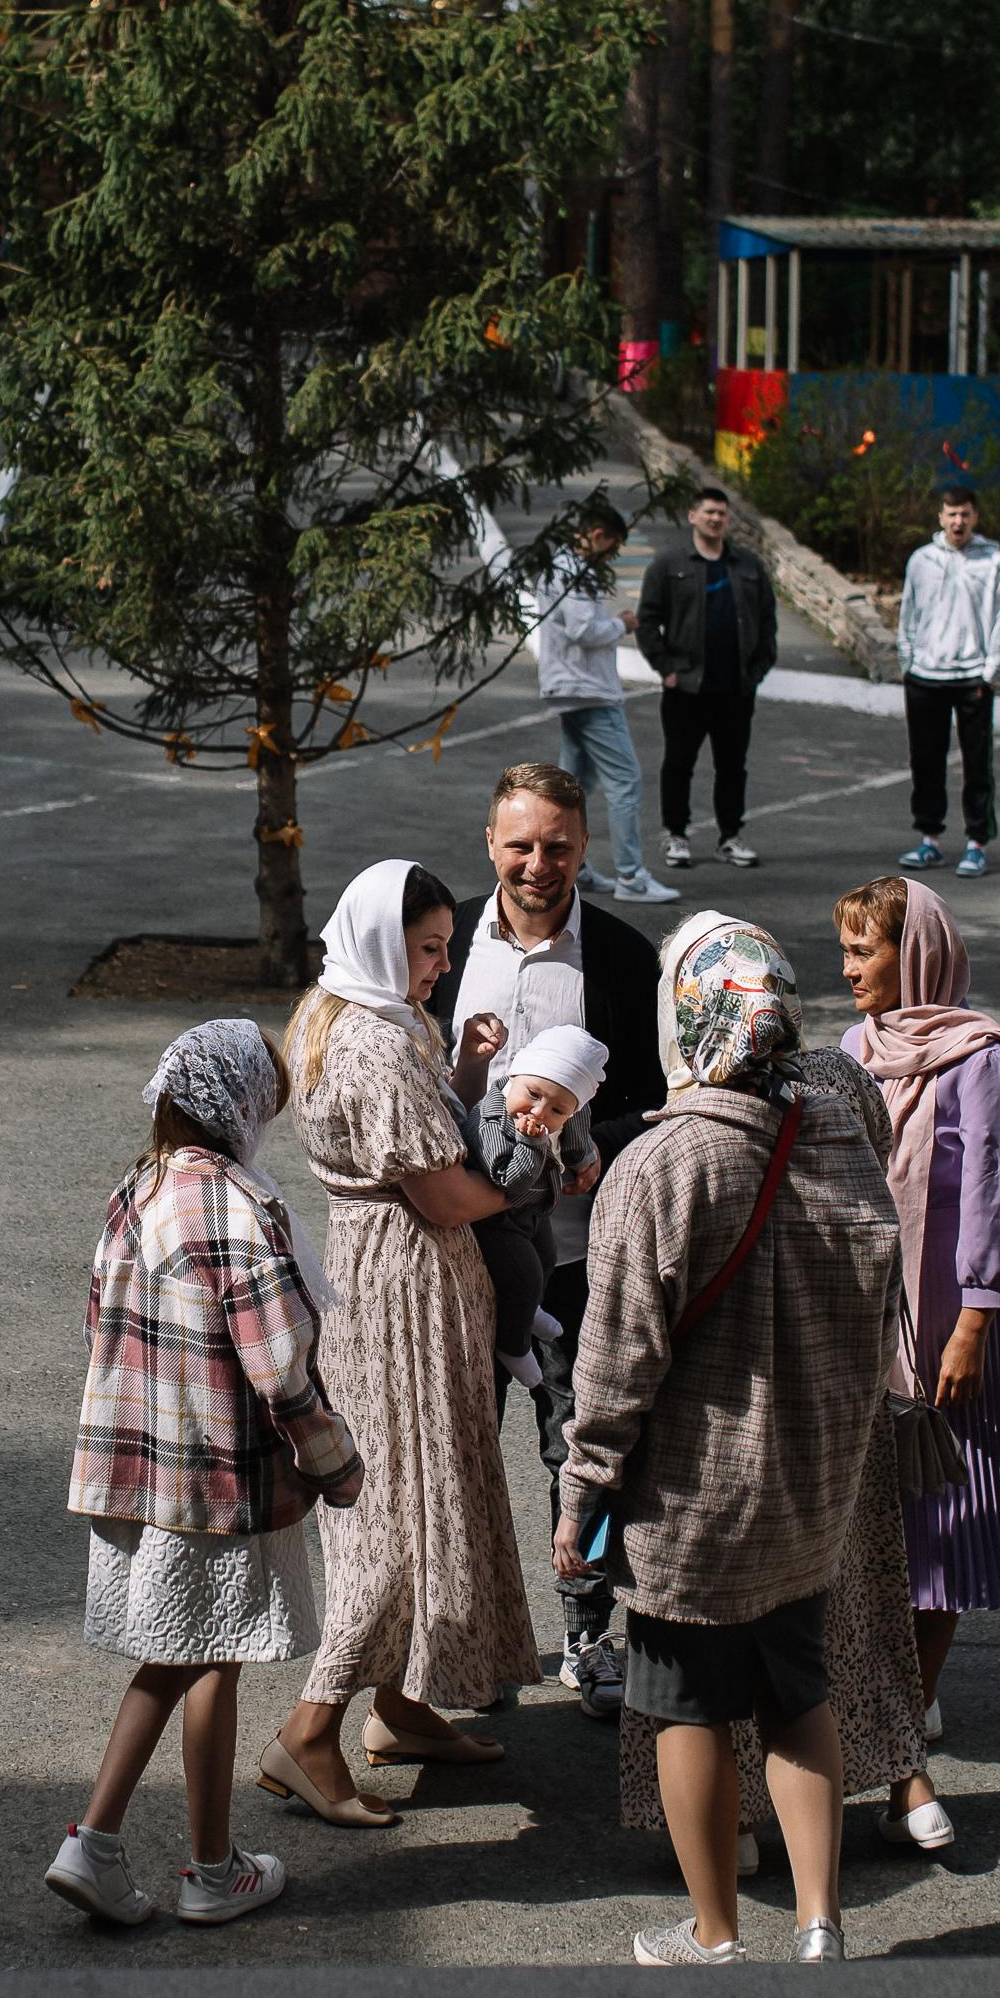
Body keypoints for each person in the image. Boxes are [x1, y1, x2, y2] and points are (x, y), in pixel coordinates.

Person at [557, 913, 902, 1964]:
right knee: (799, 1695)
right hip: (813, 1486)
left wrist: (582, 1496)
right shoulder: (841, 1126)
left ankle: (711, 1933)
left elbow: (614, 1365)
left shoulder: (664, 1162)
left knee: (687, 1711)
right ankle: (818, 1922)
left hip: (692, 1508)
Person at [49, 1020, 364, 1928]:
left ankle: (104, 1845)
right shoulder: (236, 1206)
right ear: (243, 1105)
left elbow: (94, 1326)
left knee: (184, 1653)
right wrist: (333, 1464)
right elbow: (279, 1365)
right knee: (203, 1657)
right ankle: (203, 1866)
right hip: (218, 1474)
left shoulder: (133, 1189)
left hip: (135, 1462)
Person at [263, 861, 542, 1821]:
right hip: (406, 1284)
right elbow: (438, 1189)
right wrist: (531, 1180)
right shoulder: (375, 1045)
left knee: (421, 1488)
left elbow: (418, 1135)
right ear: (388, 942)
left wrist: (461, 1066)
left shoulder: (343, 1010)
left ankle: (400, 1704)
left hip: (380, 1270)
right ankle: (310, 1729)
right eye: (427, 950)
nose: (438, 967)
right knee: (394, 1506)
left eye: (445, 951)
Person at [428, 765, 668, 1717]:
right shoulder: (440, 943)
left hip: (578, 1259)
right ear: (489, 844)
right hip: (458, 1255)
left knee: (582, 1451)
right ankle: (471, 1641)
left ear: (583, 847)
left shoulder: (617, 957)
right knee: (456, 1453)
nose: (538, 864)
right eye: (519, 845)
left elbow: (657, 1103)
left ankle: (587, 1635)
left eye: (558, 845)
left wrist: (590, 1156)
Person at [836, 872, 1000, 1853]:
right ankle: (885, 1726)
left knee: (943, 1532)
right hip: (861, 1325)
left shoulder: (979, 1059)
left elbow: (998, 1197)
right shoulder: (851, 1052)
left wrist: (975, 1322)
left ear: (913, 953)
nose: (848, 973)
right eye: (841, 953)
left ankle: (903, 1720)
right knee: (868, 1530)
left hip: (950, 1329)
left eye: (863, 953)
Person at [533, 508, 678, 905]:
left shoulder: (557, 566)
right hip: (588, 690)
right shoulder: (575, 571)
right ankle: (631, 876)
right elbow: (583, 629)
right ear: (597, 535)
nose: (614, 553)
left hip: (570, 686)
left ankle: (571, 869)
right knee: (625, 780)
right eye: (613, 544)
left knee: (570, 788)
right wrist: (622, 625)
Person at [634, 484, 779, 873]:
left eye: (722, 513)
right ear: (692, 516)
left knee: (733, 766)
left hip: (735, 690)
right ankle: (676, 835)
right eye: (709, 512)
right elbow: (647, 621)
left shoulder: (748, 566)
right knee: (679, 762)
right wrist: (666, 669)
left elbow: (767, 622)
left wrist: (758, 670)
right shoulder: (669, 565)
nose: (716, 519)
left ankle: (729, 837)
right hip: (686, 689)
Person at [458, 1022, 609, 1382]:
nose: (540, 1112)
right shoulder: (490, 1120)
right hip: (495, 1221)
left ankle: (528, 1310)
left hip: (534, 1212)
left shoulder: (560, 1110)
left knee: (546, 1259)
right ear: (515, 1075)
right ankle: (513, 1346)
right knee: (523, 1273)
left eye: (557, 1110)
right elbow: (510, 1182)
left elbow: (575, 1124)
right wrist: (531, 1145)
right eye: (534, 1094)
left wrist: (582, 1154)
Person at [897, 479, 1000, 881]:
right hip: (925, 676)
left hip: (972, 679)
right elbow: (908, 615)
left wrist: (990, 672)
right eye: (951, 514)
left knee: (976, 763)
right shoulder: (921, 560)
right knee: (926, 760)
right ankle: (929, 840)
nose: (958, 521)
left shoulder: (994, 562)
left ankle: (976, 844)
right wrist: (908, 662)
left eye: (965, 514)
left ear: (975, 517)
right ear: (941, 517)